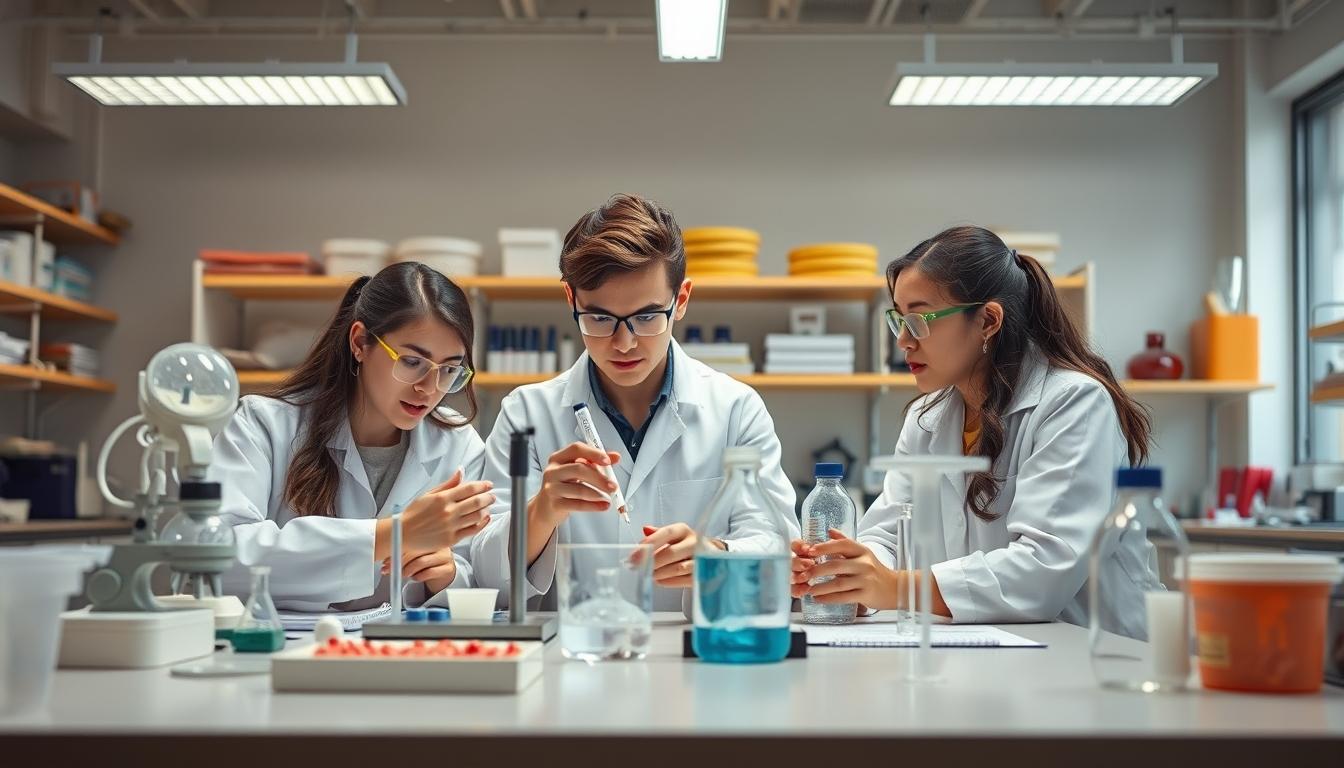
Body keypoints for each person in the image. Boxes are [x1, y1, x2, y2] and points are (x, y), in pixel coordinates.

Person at [794, 225, 1156, 637]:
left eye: (919, 320)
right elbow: (889, 537)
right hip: (990, 647)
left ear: (987, 320)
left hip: (1091, 650)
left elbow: (1044, 568)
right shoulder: (927, 418)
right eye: (899, 320)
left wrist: (894, 588)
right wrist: (846, 575)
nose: (903, 342)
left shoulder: (1074, 403)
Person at [471, 193, 798, 612]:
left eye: (646, 317)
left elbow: (780, 551)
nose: (624, 343)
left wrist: (716, 555)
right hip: (575, 648)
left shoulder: (736, 410)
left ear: (681, 300)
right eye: (600, 318)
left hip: (691, 650)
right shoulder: (526, 415)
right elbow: (485, 581)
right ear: (571, 300)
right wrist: (541, 512)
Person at [210, 262, 495, 611]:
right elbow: (216, 557)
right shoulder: (264, 424)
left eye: (449, 369)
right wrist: (390, 536)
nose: (429, 388)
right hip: (277, 642)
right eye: (411, 362)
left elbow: (478, 574)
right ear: (360, 342)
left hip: (402, 644)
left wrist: (447, 575)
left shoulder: (459, 446)